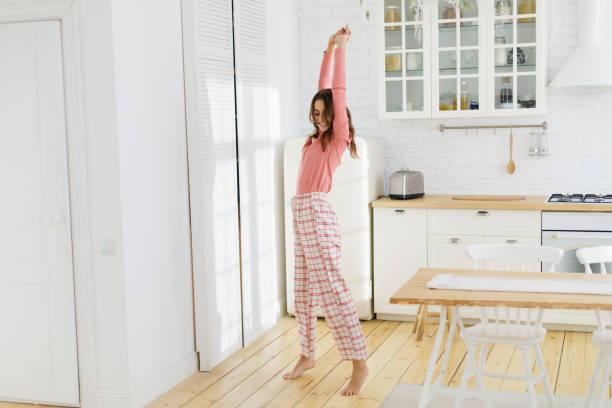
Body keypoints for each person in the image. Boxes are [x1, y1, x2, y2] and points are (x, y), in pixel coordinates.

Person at [282, 24, 369, 397]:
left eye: (324, 113)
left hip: (317, 213)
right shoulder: (313, 138)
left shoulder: (337, 139)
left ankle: (359, 363)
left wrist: (343, 51)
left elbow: (336, 91)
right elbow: (323, 89)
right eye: (314, 112)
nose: (318, 117)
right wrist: (327, 48)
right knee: (302, 292)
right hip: (299, 212)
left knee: (332, 292)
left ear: (336, 117)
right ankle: (307, 354)